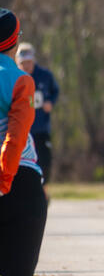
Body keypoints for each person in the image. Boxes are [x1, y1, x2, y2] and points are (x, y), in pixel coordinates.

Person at [0, 9, 54, 276]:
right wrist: (4, 180)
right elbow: (16, 138)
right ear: (15, 41)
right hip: (19, 184)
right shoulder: (21, 80)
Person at [15, 42, 59, 201]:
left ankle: (43, 191)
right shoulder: (14, 77)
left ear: (33, 61)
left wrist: (50, 103)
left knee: (45, 161)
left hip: (41, 128)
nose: (26, 66)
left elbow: (55, 91)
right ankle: (23, 194)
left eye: (29, 62)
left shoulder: (45, 76)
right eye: (23, 63)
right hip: (21, 130)